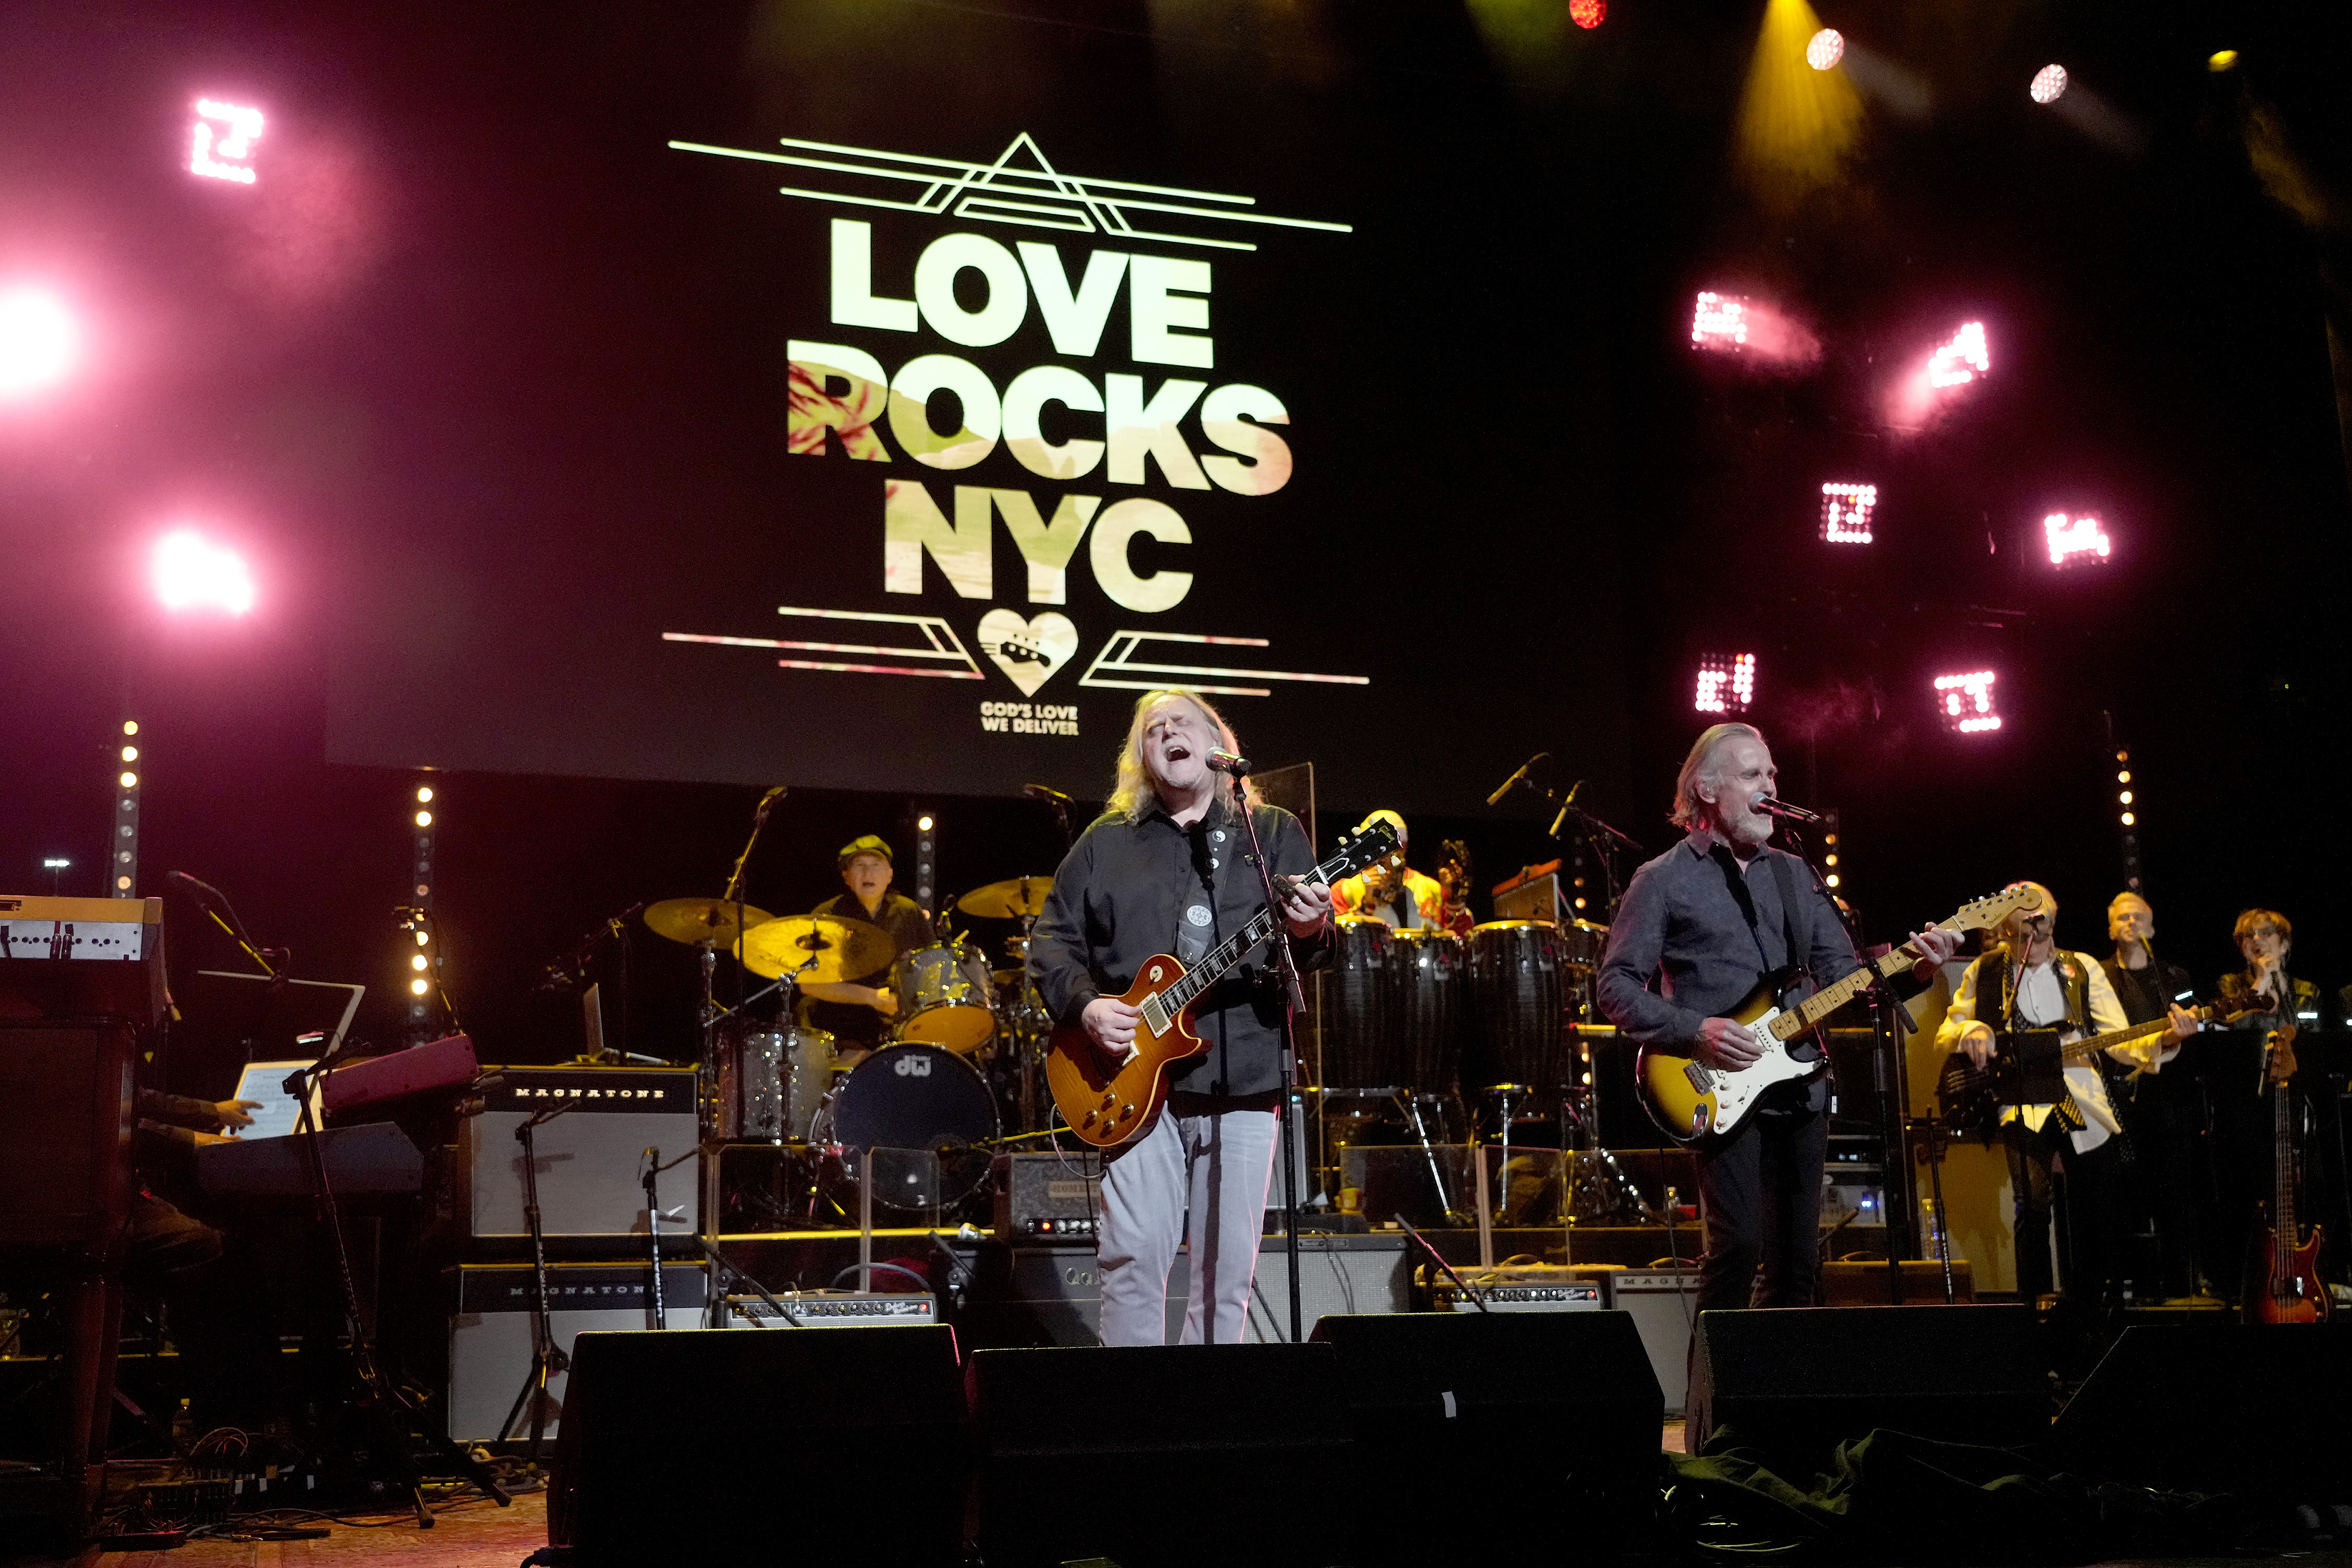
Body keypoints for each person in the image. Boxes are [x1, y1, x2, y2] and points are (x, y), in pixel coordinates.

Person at [1596, 722, 1959, 1316]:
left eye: (1771, 775)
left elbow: (1847, 979)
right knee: (1738, 1247)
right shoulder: (1662, 879)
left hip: (1801, 1087)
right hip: (1715, 1084)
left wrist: (1916, 972)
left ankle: (1780, 1404)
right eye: (1752, 776)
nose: (1769, 786)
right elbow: (1614, 987)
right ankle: (1713, 1405)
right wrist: (1696, 1030)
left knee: (1797, 1263)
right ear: (1708, 790)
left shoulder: (1797, 875)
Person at [1027, 688, 1333, 1345]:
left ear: (1217, 743)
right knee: (1133, 1258)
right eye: (1152, 729)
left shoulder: (1271, 831)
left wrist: (1310, 928)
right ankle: (1136, 1418)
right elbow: (1051, 943)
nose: (1168, 733)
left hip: (1244, 1072)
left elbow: (1312, 949)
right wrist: (1087, 1007)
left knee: (1228, 1274)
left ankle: (1213, 1418)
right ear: (1141, 757)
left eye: (1182, 722)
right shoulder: (1105, 843)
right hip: (1131, 1079)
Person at [1940, 885, 2187, 1318]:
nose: (2034, 941)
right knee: (2032, 1205)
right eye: (2021, 933)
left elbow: (2121, 1041)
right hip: (2021, 1098)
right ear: (2003, 933)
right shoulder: (1987, 969)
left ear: (2053, 922)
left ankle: (2089, 1312)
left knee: (2097, 1207)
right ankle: (2030, 1311)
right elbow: (1951, 1027)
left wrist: (2165, 1039)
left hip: (2081, 1097)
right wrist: (1972, 1032)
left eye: (2043, 926)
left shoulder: (2082, 968)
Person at [2208, 909, 2324, 1302]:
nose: (2258, 941)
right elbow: (2233, 1037)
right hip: (2246, 1106)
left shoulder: (2307, 991)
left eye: (2267, 934)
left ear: (2285, 943)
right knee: (2247, 1191)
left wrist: (2279, 985)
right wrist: (2260, 984)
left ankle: (2307, 1278)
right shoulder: (2230, 986)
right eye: (2248, 937)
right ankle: (2245, 1282)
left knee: (2302, 1191)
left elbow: (2310, 1040)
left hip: (2295, 1106)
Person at [2098, 892, 2208, 1300]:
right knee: (2124, 1192)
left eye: (2139, 918)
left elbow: (2192, 1021)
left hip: (2169, 1097)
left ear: (2152, 927)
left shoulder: (2175, 978)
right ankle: (2130, 1286)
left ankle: (2181, 1285)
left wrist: (2188, 1030)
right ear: (2111, 928)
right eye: (2123, 918)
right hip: (2115, 1095)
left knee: (2174, 1190)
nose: (2131, 924)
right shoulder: (2098, 977)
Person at [797, 835, 935, 1059]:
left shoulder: (909, 913)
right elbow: (810, 985)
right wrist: (872, 998)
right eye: (860, 867)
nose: (869, 874)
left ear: (890, 875)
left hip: (897, 1034)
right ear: (846, 876)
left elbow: (933, 970)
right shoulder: (827, 916)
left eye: (876, 867)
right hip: (837, 1035)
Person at [1330, 811, 1470, 935]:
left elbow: (1462, 938)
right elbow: (1337, 940)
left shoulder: (1431, 888)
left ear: (1404, 849)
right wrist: (1367, 904)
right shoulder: (1343, 890)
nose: (1383, 858)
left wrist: (1454, 898)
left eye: (1393, 849)